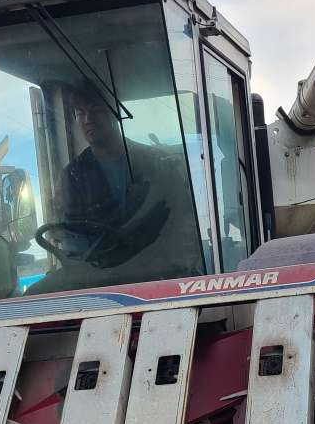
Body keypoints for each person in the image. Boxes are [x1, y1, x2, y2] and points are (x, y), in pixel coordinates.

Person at [29, 80, 203, 293]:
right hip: (94, 273)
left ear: (114, 114)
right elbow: (70, 236)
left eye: (96, 110)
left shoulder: (157, 164)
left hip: (153, 268)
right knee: (32, 296)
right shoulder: (72, 176)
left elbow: (182, 224)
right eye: (80, 113)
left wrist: (182, 269)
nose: (88, 120)